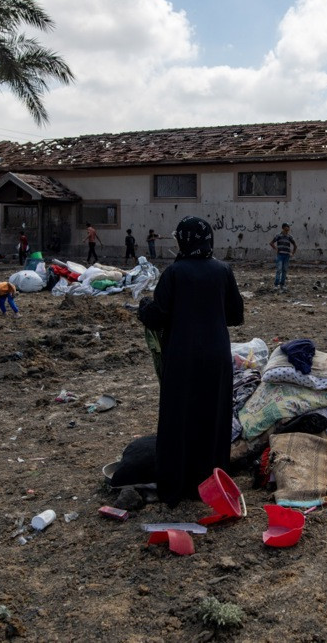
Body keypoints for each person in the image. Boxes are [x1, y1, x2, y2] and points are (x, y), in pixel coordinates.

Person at [138, 216, 244, 507]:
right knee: (213, 417)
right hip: (216, 355)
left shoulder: (175, 273)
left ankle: (176, 485)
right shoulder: (223, 270)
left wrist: (144, 307)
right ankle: (211, 483)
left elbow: (158, 315)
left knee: (179, 417)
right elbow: (235, 316)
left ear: (184, 240)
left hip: (182, 356)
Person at [270, 222, 297, 292]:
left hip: (287, 255)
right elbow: (271, 243)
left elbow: (295, 245)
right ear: (283, 228)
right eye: (287, 227)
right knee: (279, 270)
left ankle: (282, 284)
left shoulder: (290, 237)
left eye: (288, 227)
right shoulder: (278, 235)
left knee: (284, 270)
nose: (288, 228)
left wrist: (292, 253)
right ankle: (276, 285)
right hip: (280, 255)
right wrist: (276, 249)